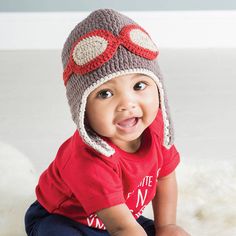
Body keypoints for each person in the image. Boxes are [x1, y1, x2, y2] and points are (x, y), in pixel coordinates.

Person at [24, 9, 190, 236]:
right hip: (64, 218)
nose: (127, 104)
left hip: (122, 214)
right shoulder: (88, 160)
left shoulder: (159, 130)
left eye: (139, 86)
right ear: (82, 109)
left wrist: (166, 225)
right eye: (105, 94)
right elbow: (121, 228)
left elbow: (165, 177)